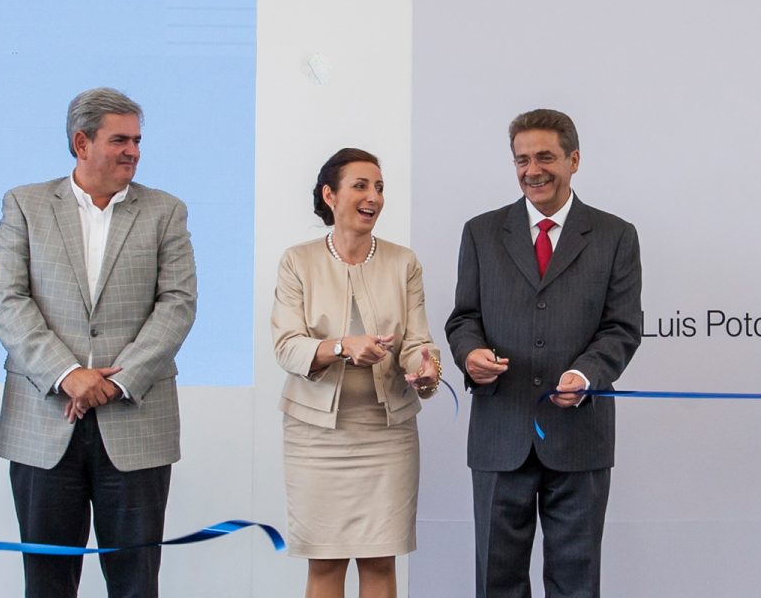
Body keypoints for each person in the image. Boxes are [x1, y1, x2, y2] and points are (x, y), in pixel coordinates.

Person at [0, 87, 197, 598]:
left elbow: (177, 304)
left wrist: (117, 381)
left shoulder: (165, 211)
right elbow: (7, 301)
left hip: (135, 420)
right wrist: (68, 374)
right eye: (120, 139)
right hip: (43, 424)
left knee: (135, 583)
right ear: (81, 142)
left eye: (137, 140)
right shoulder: (25, 204)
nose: (133, 151)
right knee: (47, 583)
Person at [445, 108, 642, 598]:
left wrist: (585, 373)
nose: (533, 170)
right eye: (522, 159)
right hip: (499, 433)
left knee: (576, 581)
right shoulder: (481, 232)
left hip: (580, 438)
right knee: (497, 581)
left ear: (574, 159)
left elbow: (622, 328)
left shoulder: (617, 235)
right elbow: (463, 319)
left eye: (546, 157)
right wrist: (470, 356)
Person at [270, 148, 443, 598]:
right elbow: (287, 348)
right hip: (315, 435)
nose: (374, 197)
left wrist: (425, 369)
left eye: (380, 187)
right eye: (361, 186)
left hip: (388, 434)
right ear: (330, 195)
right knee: (325, 563)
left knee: (380, 561)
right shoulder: (297, 261)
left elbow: (418, 343)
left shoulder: (404, 262)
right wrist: (344, 347)